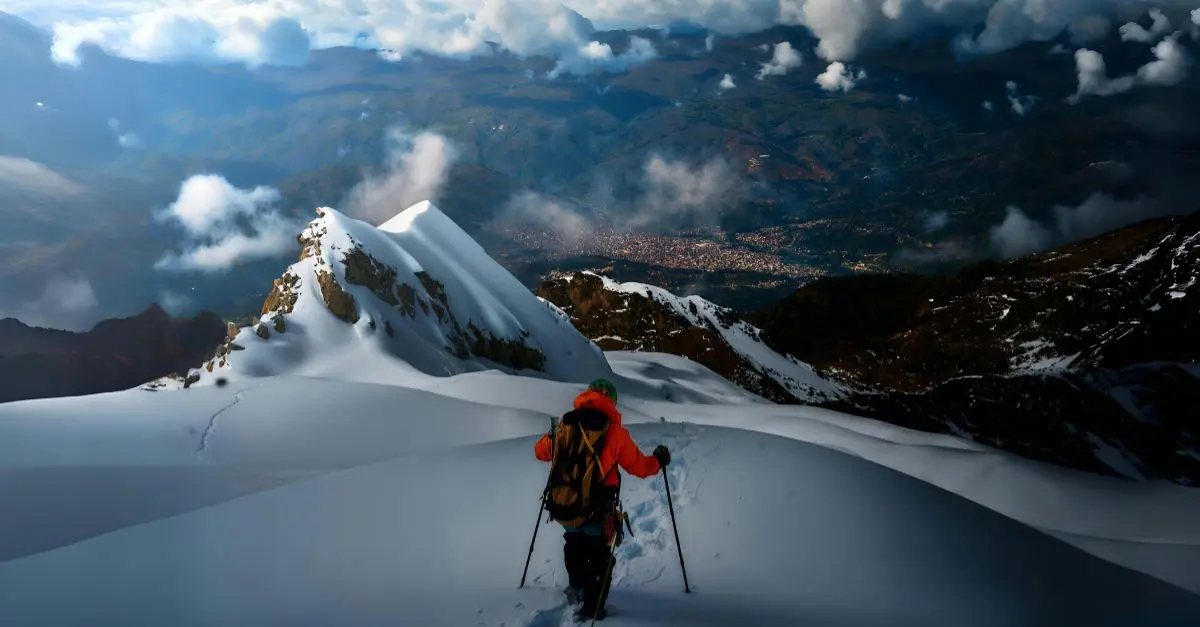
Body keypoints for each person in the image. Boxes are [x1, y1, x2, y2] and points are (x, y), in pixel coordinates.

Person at [534, 378, 671, 621]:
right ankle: (593, 606)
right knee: (599, 556)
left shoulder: (564, 424)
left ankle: (577, 585)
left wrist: (554, 438)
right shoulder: (615, 432)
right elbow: (640, 467)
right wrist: (658, 461)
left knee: (573, 543)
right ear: (611, 401)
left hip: (564, 505)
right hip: (598, 509)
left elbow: (540, 452)